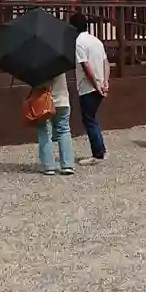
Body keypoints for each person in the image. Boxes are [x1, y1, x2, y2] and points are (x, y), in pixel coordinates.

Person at [70, 12, 110, 166]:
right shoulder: (96, 40)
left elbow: (85, 65)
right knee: (91, 119)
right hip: (100, 84)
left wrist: (96, 85)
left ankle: (98, 154)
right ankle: (101, 151)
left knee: (89, 120)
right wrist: (105, 82)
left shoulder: (79, 42)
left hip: (88, 87)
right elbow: (106, 62)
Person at [32, 71, 76, 176]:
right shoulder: (60, 63)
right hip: (62, 100)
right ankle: (67, 165)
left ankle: (48, 166)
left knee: (45, 132)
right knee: (64, 131)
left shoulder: (36, 66)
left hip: (43, 102)